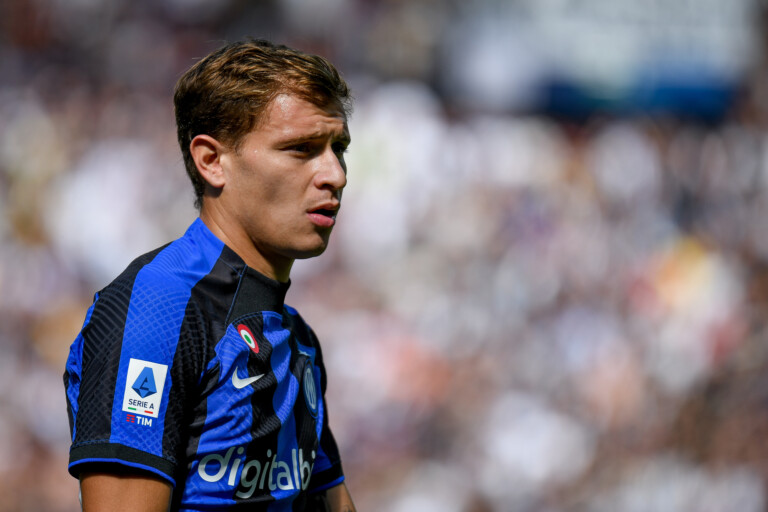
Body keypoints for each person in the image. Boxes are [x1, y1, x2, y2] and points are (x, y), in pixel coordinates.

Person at [63, 39, 356, 512]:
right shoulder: (157, 312)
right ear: (212, 161)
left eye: (337, 148)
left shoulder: (297, 337)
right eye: (301, 149)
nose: (335, 175)